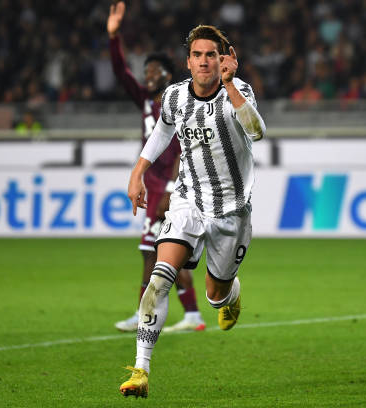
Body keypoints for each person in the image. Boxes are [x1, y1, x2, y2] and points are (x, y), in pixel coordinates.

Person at [119, 24, 266, 398]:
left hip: (231, 210)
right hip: (188, 200)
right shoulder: (174, 97)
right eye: (197, 55)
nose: (204, 62)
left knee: (215, 292)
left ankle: (229, 296)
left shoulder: (238, 92)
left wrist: (231, 85)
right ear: (188, 62)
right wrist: (139, 171)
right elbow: (162, 132)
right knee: (159, 275)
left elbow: (257, 131)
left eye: (211, 56)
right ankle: (141, 369)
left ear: (222, 60)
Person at [107, 1, 206, 333]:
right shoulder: (147, 101)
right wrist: (113, 37)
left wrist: (169, 188)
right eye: (146, 72)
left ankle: (143, 314)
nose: (147, 76)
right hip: (153, 182)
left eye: (153, 72)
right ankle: (191, 314)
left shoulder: (177, 100)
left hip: (168, 185)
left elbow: (182, 147)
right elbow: (122, 74)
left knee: (151, 253)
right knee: (165, 252)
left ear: (166, 75)